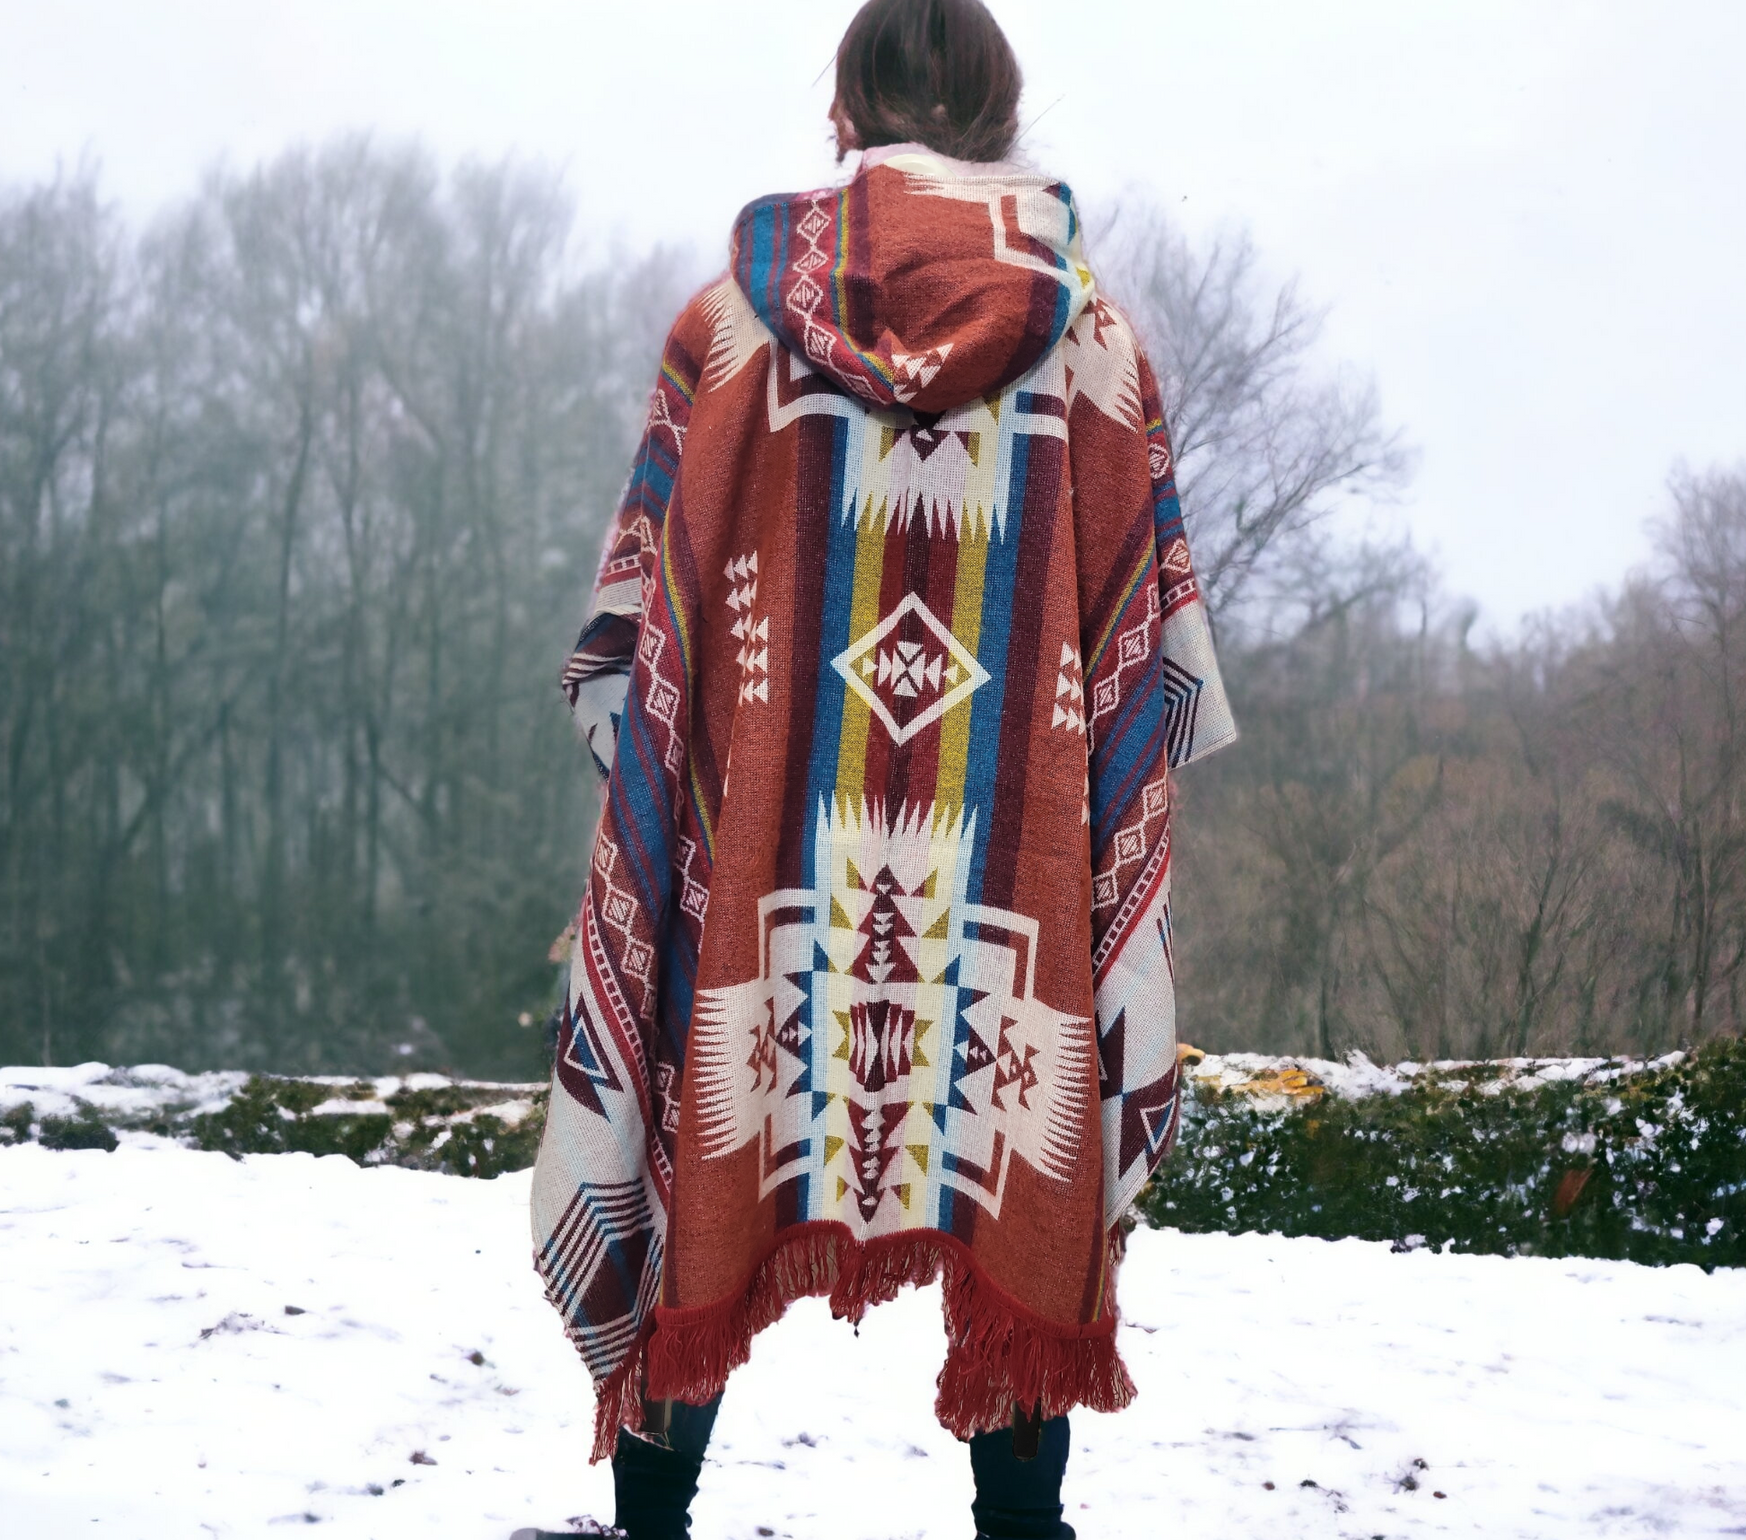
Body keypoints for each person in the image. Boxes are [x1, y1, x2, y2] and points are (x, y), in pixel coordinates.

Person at [523, 1, 1235, 1535]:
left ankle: (653, 1519)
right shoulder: (1089, 347)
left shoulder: (729, 334)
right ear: (1001, 113)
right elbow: (1154, 668)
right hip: (1010, 880)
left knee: (705, 1124)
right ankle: (1025, 1525)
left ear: (844, 113)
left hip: (764, 880)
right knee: (1028, 1147)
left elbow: (638, 652)